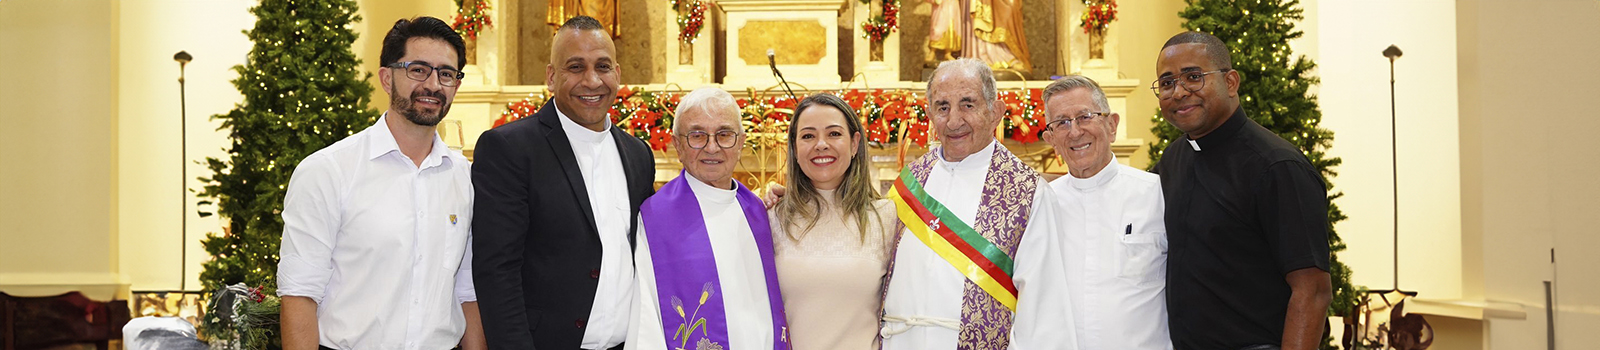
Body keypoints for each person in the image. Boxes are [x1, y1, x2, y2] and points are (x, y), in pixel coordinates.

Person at [277, 16, 486, 350]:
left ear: (456, 86)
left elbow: (468, 293)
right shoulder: (328, 171)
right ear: (387, 78)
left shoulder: (468, 179)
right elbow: (300, 293)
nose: (433, 85)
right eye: (418, 69)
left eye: (446, 73)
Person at [472, 15, 656, 350]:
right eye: (575, 67)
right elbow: (497, 271)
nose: (591, 80)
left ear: (617, 74)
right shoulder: (510, 148)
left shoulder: (638, 154)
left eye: (602, 66)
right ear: (552, 77)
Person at [1152, 31, 1333, 350]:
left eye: (1193, 77)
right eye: (1167, 83)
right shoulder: (1173, 158)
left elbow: (1313, 291)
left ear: (1231, 82)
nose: (1178, 92)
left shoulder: (1277, 167)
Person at [878, 58, 1075, 349]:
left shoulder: (1027, 192)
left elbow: (1045, 310)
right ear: (930, 114)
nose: (954, 121)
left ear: (996, 112)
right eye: (943, 107)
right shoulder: (911, 181)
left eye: (968, 104)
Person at [626, 87, 790, 350]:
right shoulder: (656, 218)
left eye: (724, 135)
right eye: (697, 135)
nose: (712, 147)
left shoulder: (759, 212)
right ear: (677, 145)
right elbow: (645, 318)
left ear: (741, 142)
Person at [1039, 75, 1172, 350]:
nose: (1075, 132)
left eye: (1085, 117)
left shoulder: (1157, 195)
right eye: (1062, 122)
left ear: (1111, 126)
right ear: (1051, 138)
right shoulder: (1041, 205)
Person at [769, 93, 898, 350]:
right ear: (794, 150)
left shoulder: (887, 217)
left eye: (834, 134)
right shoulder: (772, 219)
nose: (821, 144)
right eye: (808, 136)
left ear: (854, 143)